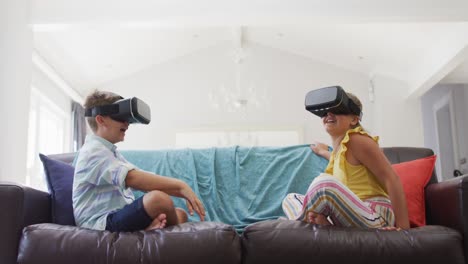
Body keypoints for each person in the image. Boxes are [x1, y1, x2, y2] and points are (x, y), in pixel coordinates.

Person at [73, 90, 205, 232]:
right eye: (120, 117)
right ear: (101, 120)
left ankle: (150, 228)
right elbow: (134, 178)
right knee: (159, 200)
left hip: (119, 215)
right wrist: (180, 186)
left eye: (127, 119)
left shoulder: (110, 153)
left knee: (180, 213)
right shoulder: (93, 151)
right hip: (100, 223)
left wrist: (179, 190)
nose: (127, 123)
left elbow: (142, 178)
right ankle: (151, 230)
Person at [282, 90, 409, 229]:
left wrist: (403, 230)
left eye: (336, 110)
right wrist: (324, 152)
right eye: (325, 112)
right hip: (349, 213)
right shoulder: (339, 152)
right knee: (290, 199)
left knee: (324, 183)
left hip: (375, 214)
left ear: (354, 119)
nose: (329, 114)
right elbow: (343, 166)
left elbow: (392, 178)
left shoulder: (357, 140)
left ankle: (302, 223)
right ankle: (318, 223)